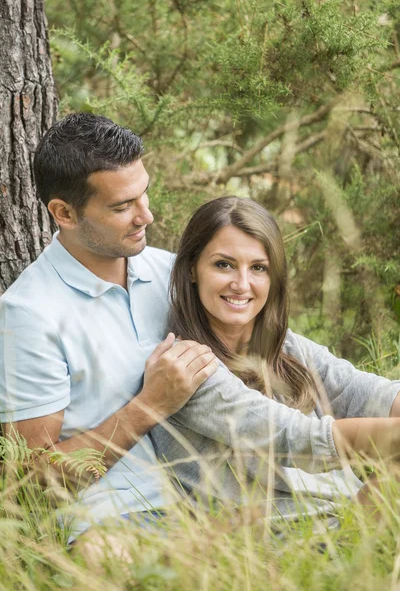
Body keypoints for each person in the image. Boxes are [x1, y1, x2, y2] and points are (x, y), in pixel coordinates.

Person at [0, 112, 218, 541]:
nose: (146, 217)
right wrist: (150, 406)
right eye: (122, 207)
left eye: (144, 195)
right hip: (118, 520)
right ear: (64, 213)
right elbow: (30, 483)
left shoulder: (172, 273)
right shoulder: (28, 314)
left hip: (216, 498)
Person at [150, 196, 400, 522]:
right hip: (277, 549)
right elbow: (294, 439)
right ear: (193, 269)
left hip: (341, 524)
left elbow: (363, 391)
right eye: (223, 264)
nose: (242, 284)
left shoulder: (285, 347)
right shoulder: (187, 368)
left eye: (258, 268)